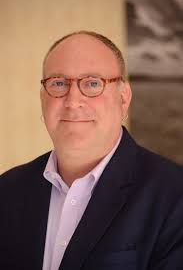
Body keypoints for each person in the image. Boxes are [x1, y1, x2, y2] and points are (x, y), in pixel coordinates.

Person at [0, 30, 183, 270]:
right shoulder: (7, 190)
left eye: (93, 83)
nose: (73, 100)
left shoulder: (174, 194)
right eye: (58, 83)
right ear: (43, 98)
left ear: (124, 98)